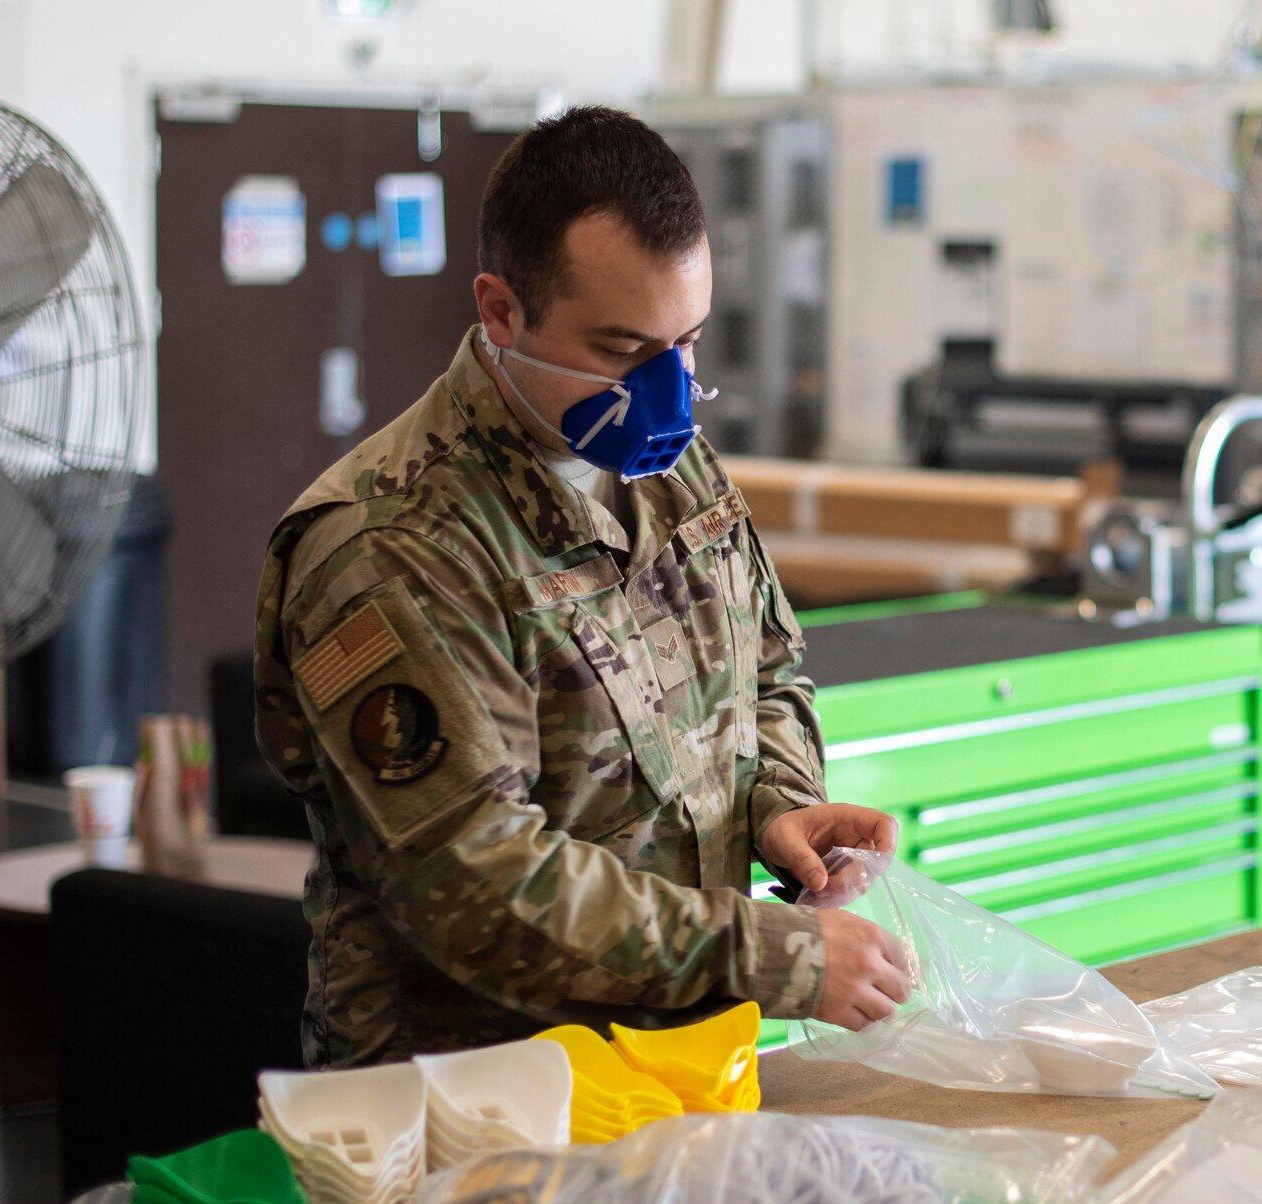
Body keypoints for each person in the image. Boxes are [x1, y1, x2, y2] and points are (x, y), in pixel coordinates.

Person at [254, 106, 911, 1069]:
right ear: (501, 310)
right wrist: (760, 951)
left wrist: (774, 804)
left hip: (677, 1068)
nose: (671, 394)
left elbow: (765, 675)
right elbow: (476, 884)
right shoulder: (395, 542)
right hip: (476, 1102)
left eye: (686, 343)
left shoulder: (667, 467)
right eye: (623, 351)